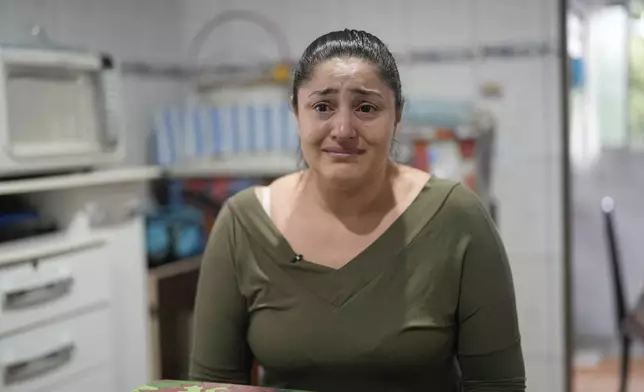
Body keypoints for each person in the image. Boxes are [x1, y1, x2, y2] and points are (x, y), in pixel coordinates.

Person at [189, 29, 525, 392]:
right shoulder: (242, 224)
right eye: (322, 107)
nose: (344, 129)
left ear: (397, 116)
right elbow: (213, 385)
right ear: (296, 113)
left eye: (366, 108)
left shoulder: (457, 217)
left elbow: (497, 384)